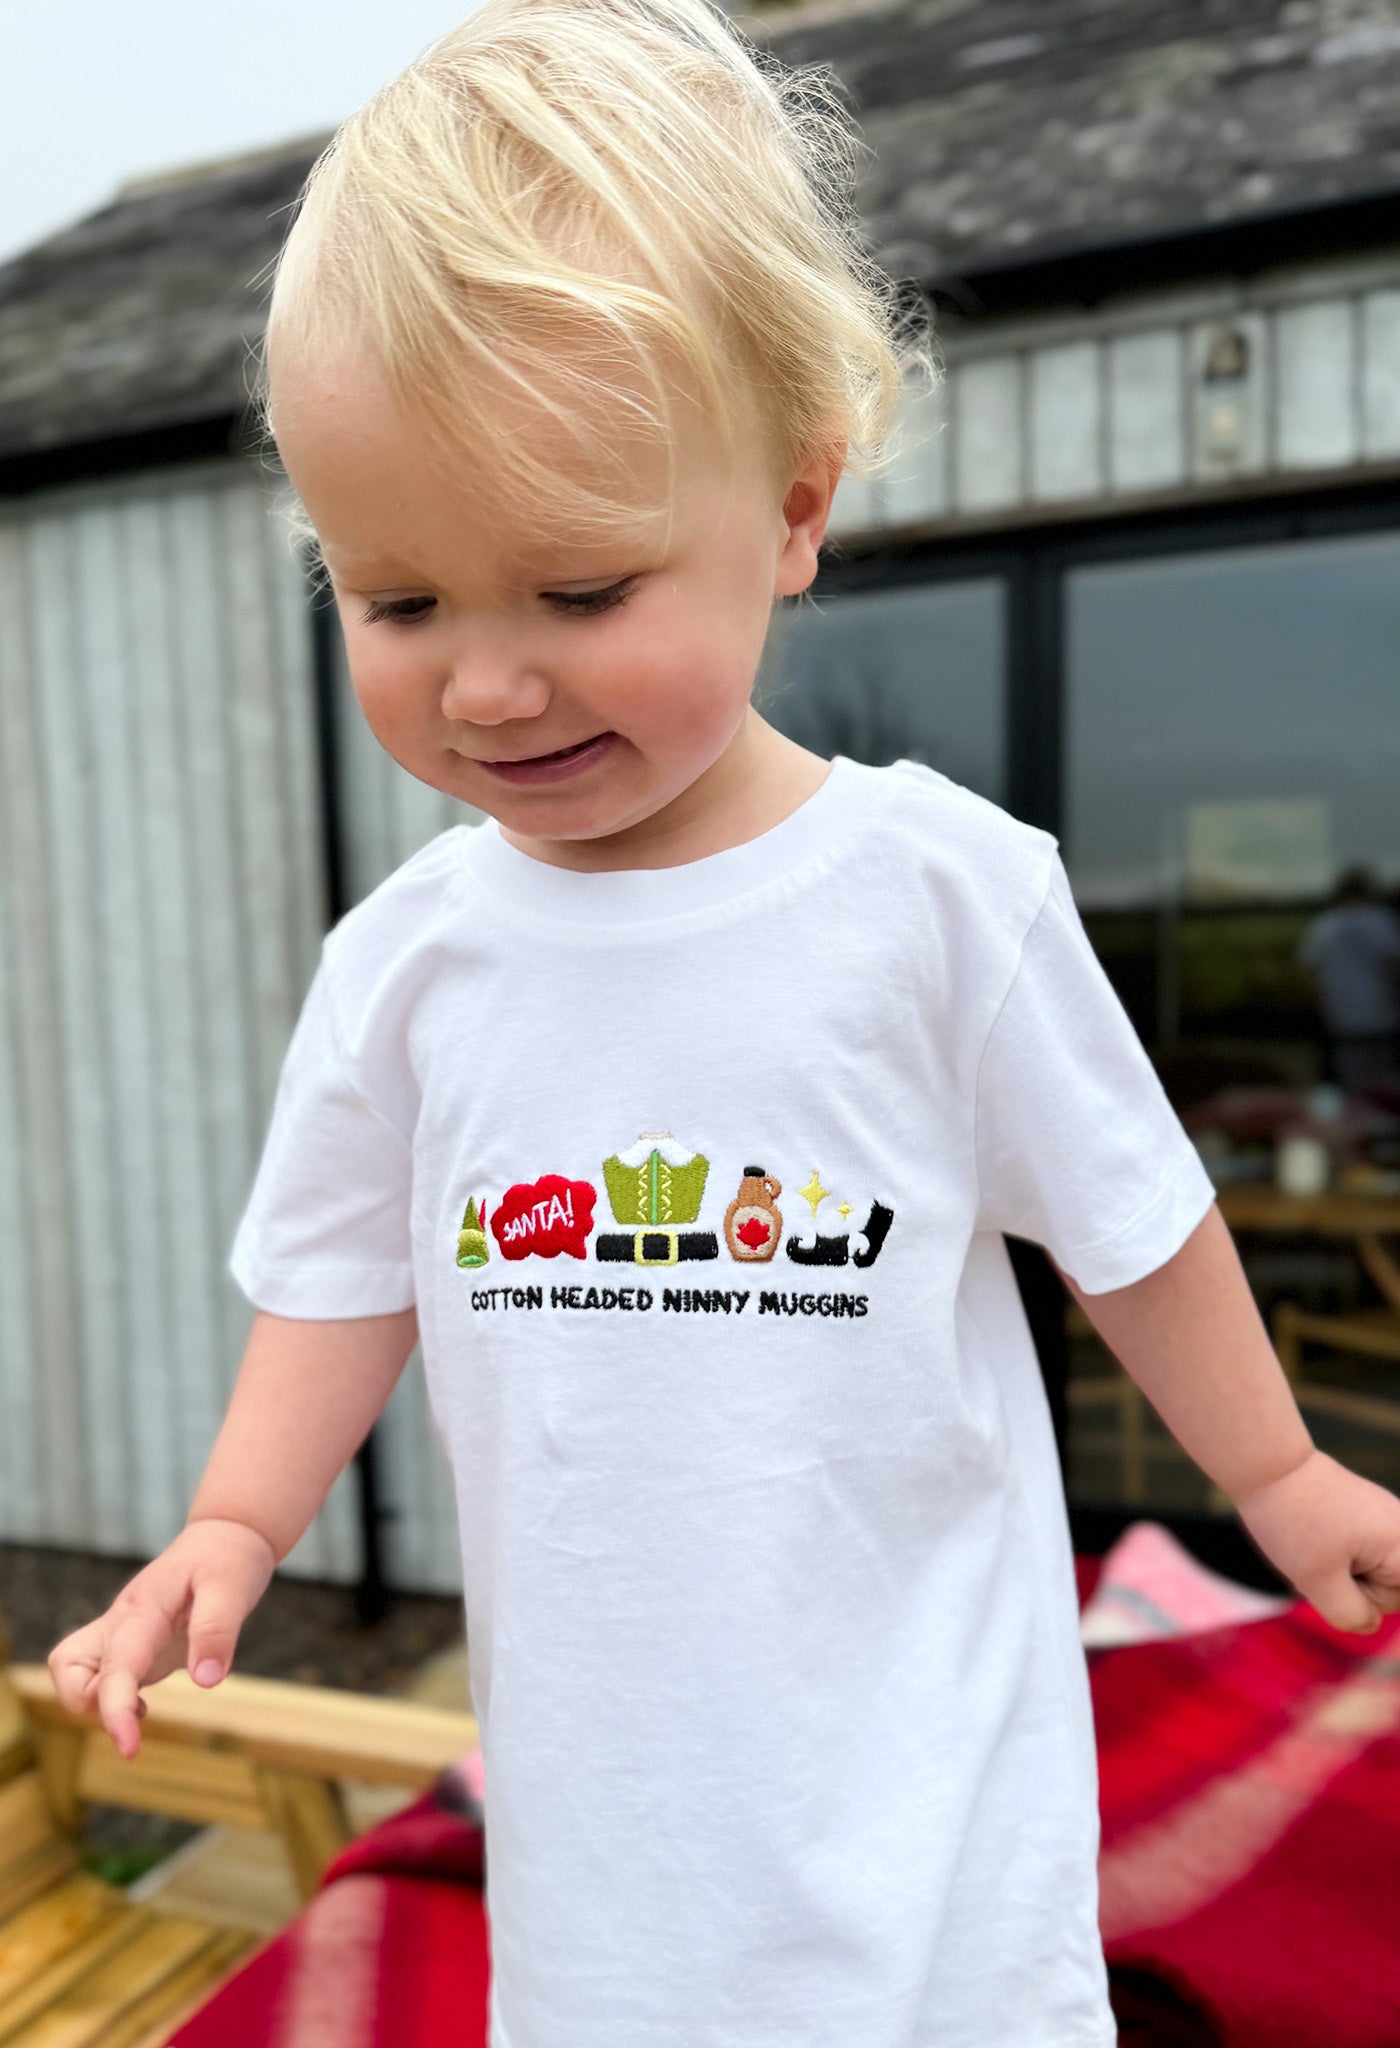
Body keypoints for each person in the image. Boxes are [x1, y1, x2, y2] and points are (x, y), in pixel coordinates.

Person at [47, 4, 1400, 2044]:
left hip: (936, 1838)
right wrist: (236, 1521)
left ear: (789, 511)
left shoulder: (942, 900)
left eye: (581, 591)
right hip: (608, 1861)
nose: (486, 684)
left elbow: (1133, 1222)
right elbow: (339, 1280)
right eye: (398, 602)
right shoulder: (408, 967)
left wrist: (1279, 1474)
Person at [1296, 864, 1400, 1096]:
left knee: (1351, 1081)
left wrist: (1322, 998)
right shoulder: (1382, 921)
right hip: (1382, 1013)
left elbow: (1307, 968)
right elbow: (1394, 965)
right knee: (1385, 1079)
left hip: (1342, 1014)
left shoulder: (1325, 924)